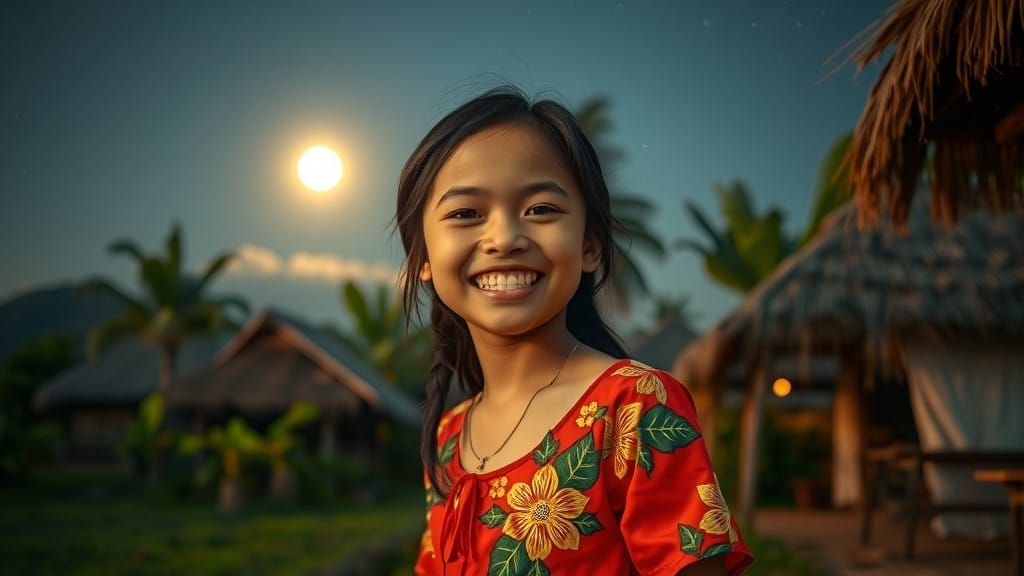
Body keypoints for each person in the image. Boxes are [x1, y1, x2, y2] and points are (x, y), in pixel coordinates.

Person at [395, 85, 753, 575]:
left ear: (589, 246)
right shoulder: (449, 433)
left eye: (540, 209)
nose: (504, 238)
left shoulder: (634, 408)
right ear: (423, 257)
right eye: (465, 214)